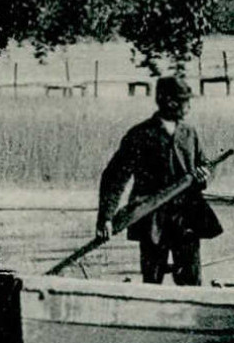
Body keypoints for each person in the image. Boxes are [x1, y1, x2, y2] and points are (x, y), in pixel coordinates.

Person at [95, 76, 223, 285]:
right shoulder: (140, 135)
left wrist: (205, 176)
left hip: (186, 218)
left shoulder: (189, 133)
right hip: (151, 217)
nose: (189, 106)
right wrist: (105, 217)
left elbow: (203, 166)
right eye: (185, 101)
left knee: (191, 279)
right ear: (170, 102)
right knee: (152, 278)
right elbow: (114, 177)